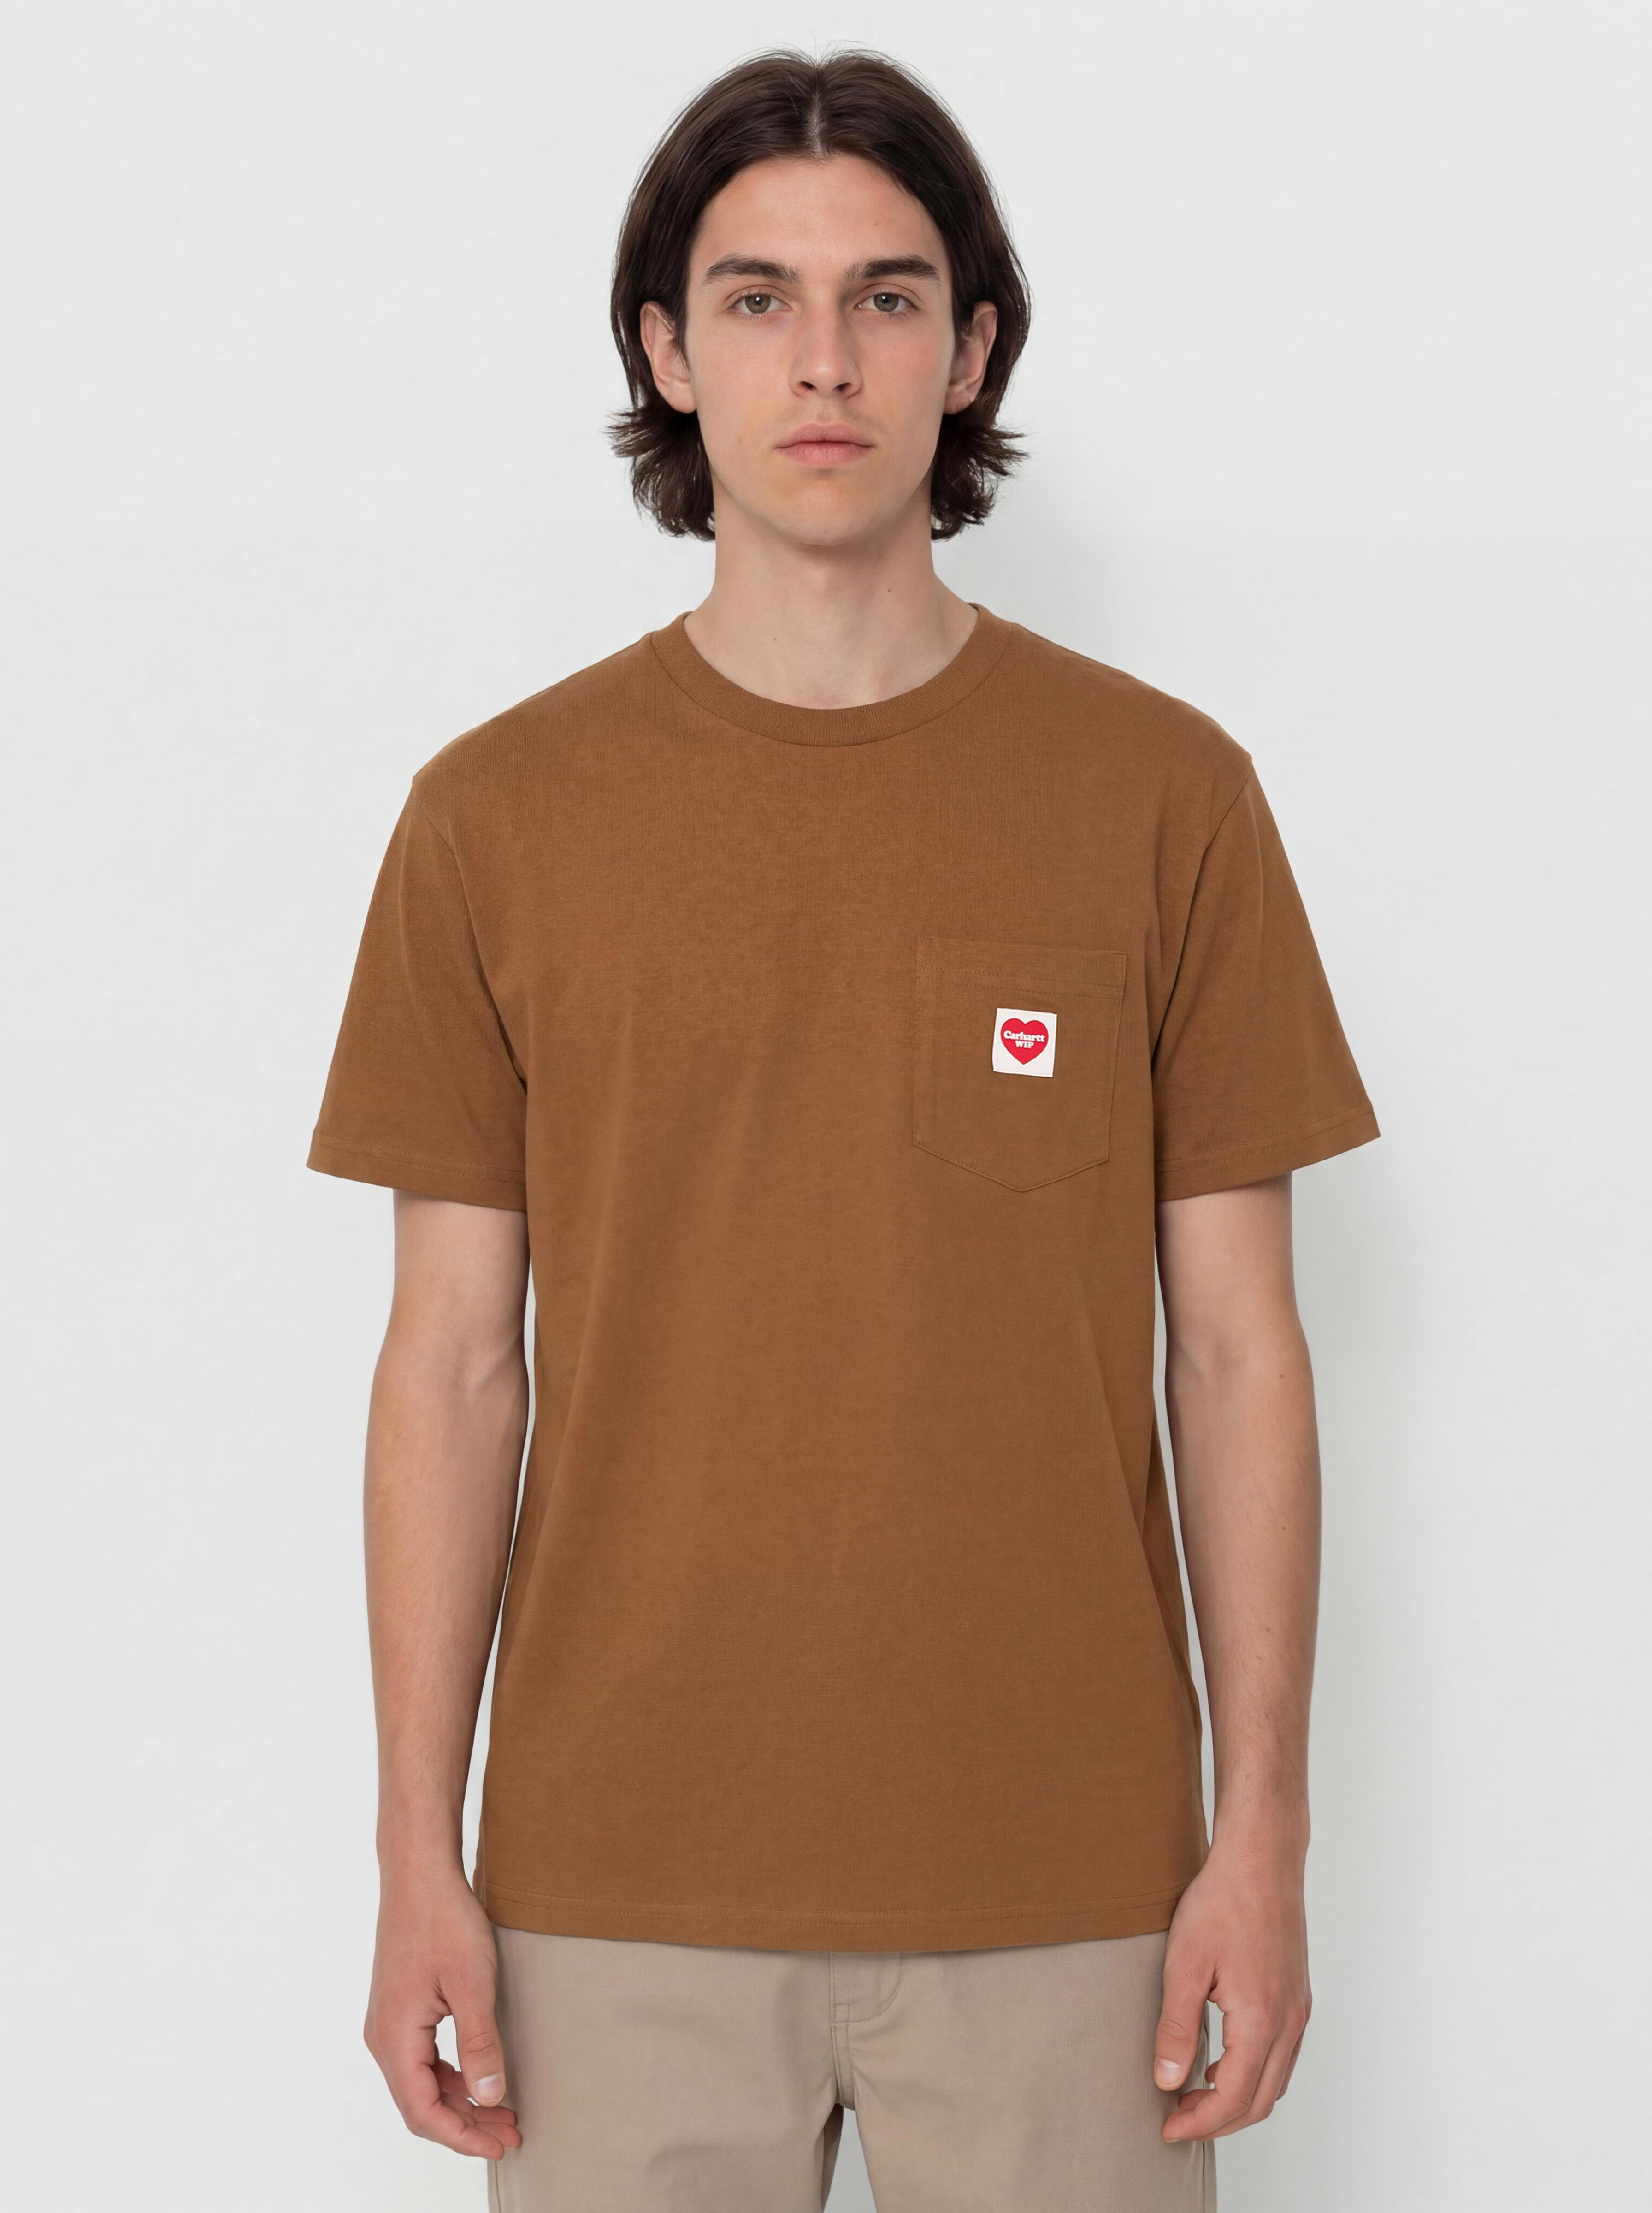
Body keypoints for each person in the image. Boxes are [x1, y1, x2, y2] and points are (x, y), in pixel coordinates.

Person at [307, 46, 1380, 2213]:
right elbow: (450, 1364)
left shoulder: (1159, 797)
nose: (822, 360)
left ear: (968, 351)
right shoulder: (494, 821)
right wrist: (418, 1849)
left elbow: (1237, 1352)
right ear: (664, 351)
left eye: (886, 298)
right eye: (756, 298)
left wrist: (1259, 1836)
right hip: (612, 1885)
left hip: (1069, 1883)